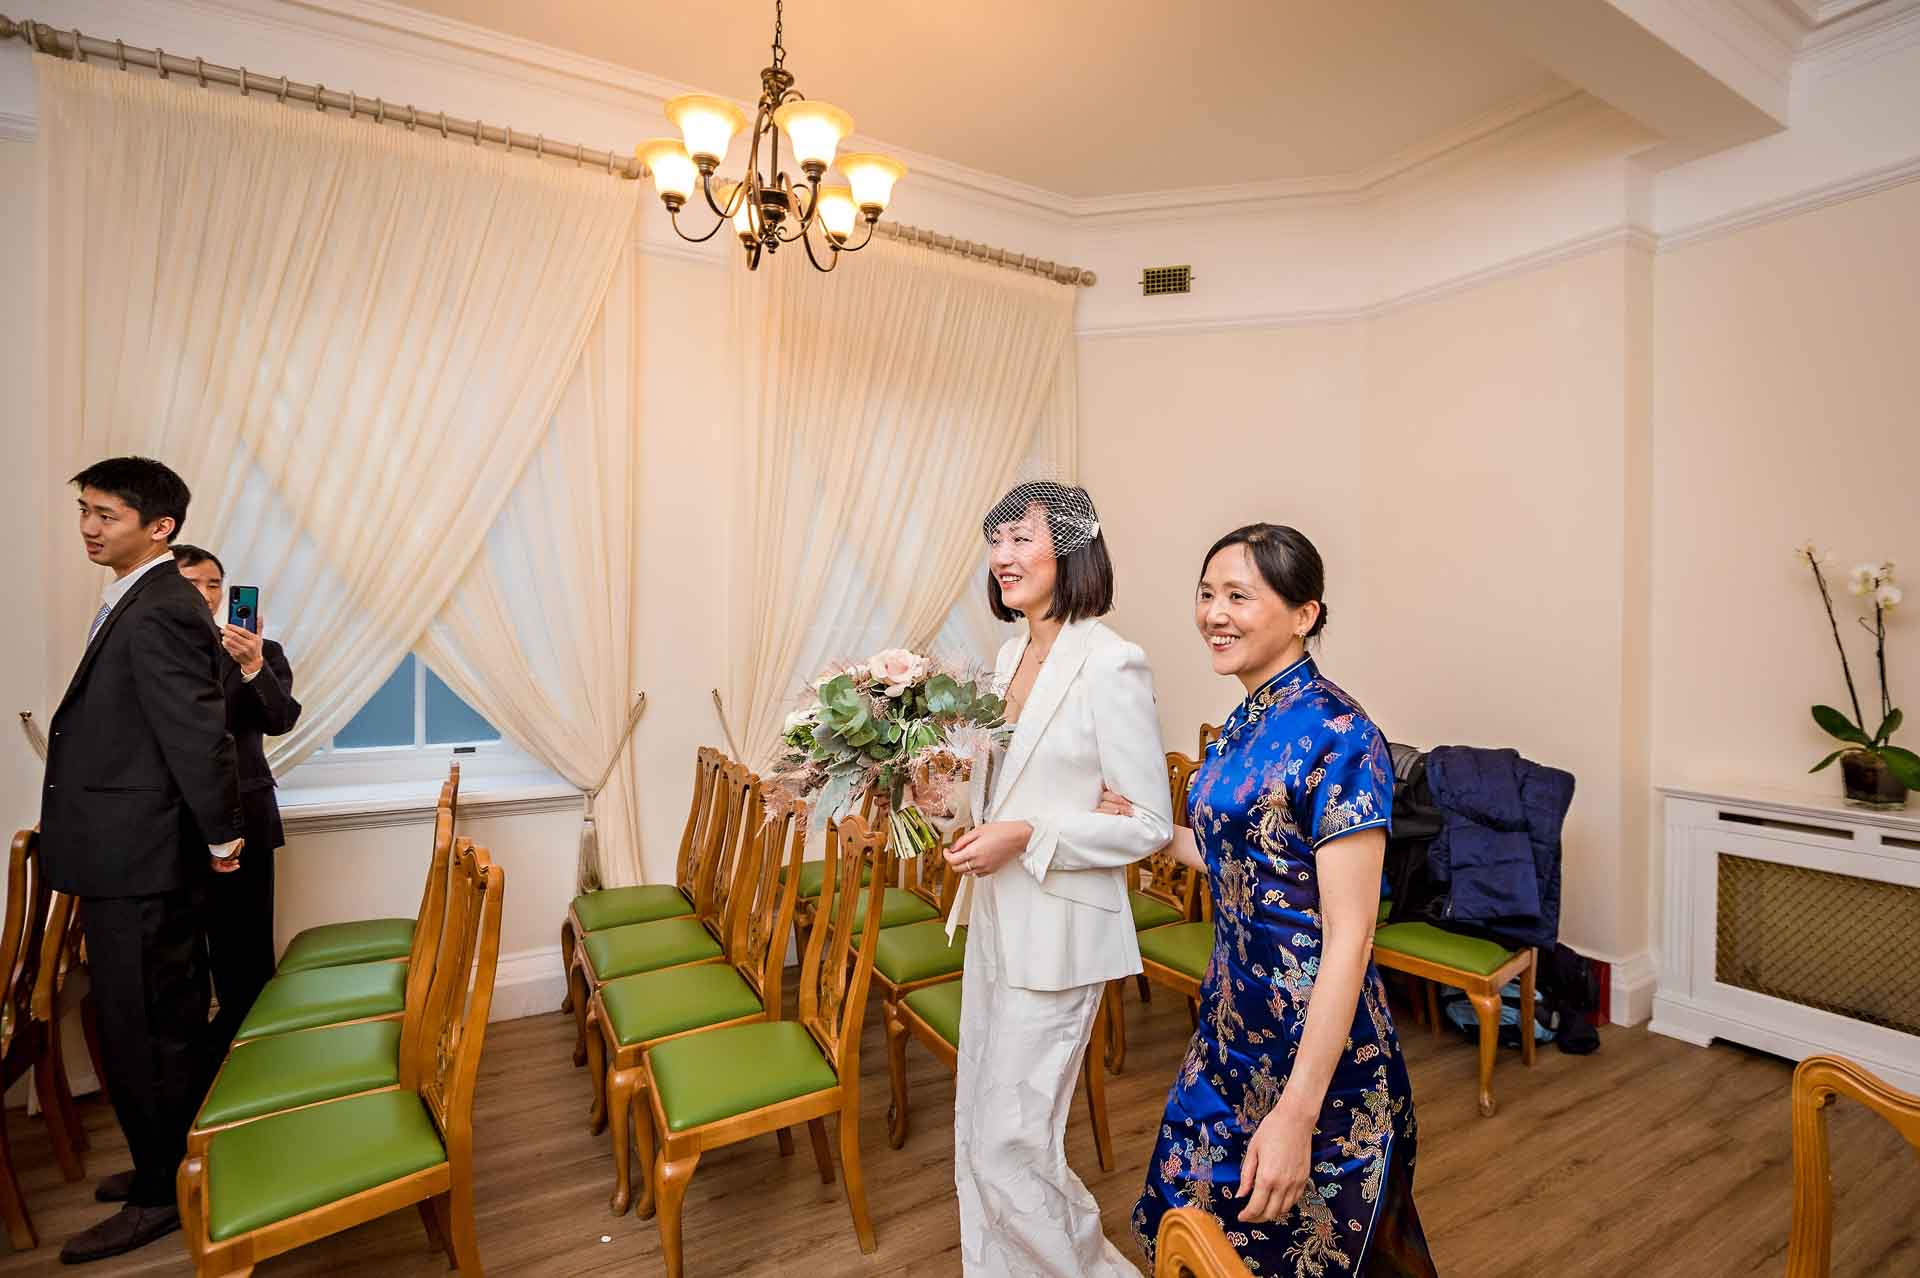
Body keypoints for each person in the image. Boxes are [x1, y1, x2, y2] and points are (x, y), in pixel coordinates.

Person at [1120, 524, 1436, 1276]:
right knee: (1186, 1231)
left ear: (1304, 615)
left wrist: (1296, 1114)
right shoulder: (1242, 721)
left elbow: (1352, 934)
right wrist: (1154, 834)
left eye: (1238, 596)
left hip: (1321, 1060)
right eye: (1205, 594)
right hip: (1229, 1039)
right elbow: (1246, 863)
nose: (1213, 614)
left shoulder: (1342, 735)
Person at [941, 480, 1172, 1277]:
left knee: (1012, 1139)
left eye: (1020, 540)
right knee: (980, 1116)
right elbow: (1002, 789)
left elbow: (1145, 821)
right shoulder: (1010, 655)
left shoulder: (1112, 662)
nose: (1002, 558)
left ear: (1069, 550)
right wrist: (945, 800)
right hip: (997, 918)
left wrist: (1029, 832)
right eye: (995, 541)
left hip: (1063, 929)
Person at [41, 457, 244, 1263]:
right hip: (127, 849)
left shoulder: (160, 605)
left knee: (146, 1028)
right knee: (155, 1021)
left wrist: (223, 837)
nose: (89, 527)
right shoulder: (138, 597)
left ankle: (163, 1190)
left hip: (144, 856)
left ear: (159, 528)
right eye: (84, 511)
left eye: (107, 515)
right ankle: (170, 1161)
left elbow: (197, 733)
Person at [174, 544, 301, 1057]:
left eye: (213, 584)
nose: (205, 594)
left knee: (245, 950)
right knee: (180, 955)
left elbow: (281, 719)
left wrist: (251, 666)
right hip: (174, 823)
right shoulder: (159, 651)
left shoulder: (260, 652)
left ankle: (253, 1059)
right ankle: (194, 1066)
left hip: (245, 814)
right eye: (191, 584)